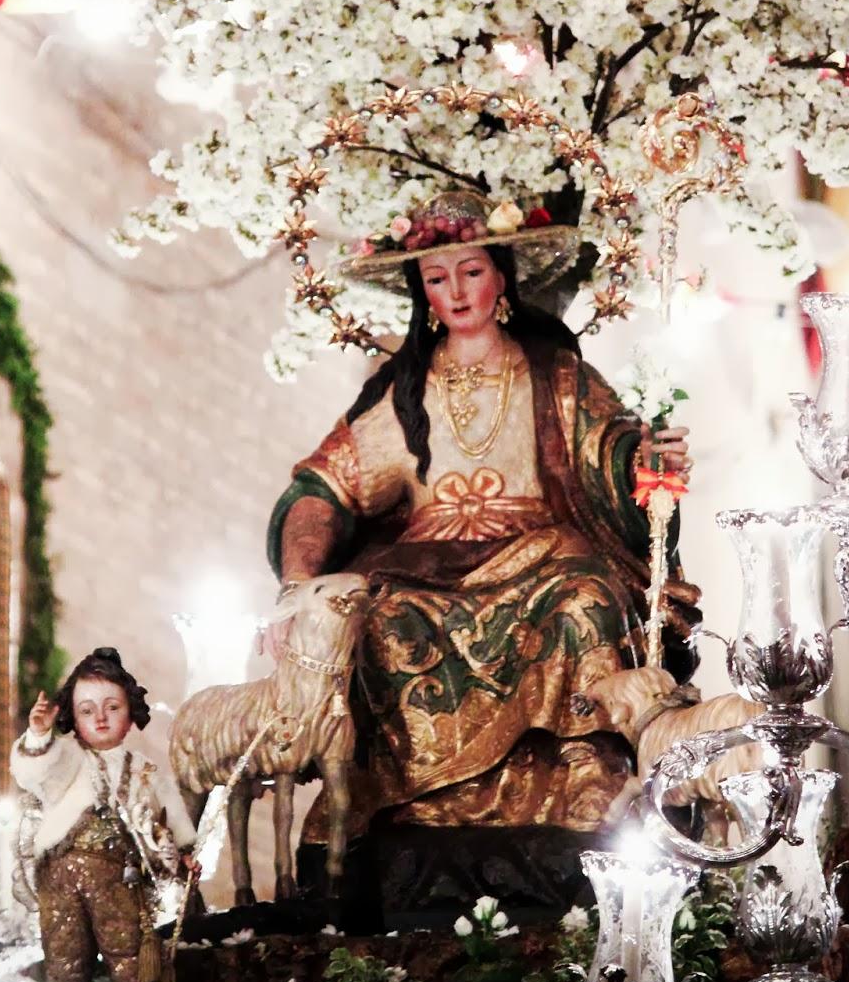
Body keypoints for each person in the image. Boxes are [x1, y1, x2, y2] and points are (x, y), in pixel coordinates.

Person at [268, 190, 698, 837]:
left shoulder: (556, 377)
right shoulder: (402, 390)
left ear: (500, 278)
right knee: (380, 619)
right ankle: (409, 807)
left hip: (540, 552)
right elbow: (323, 489)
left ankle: (583, 771)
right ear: (423, 295)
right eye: (437, 279)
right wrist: (297, 589)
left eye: (471, 272)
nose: (458, 292)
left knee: (582, 595)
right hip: (422, 566)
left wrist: (644, 462)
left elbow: (611, 460)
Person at [11, 647, 201, 982]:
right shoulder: (66, 757)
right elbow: (32, 771)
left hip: (117, 872)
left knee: (126, 940)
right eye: (87, 710)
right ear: (72, 719)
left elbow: (168, 812)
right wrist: (40, 735)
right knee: (65, 945)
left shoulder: (144, 770)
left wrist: (184, 850)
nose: (100, 718)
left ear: (130, 712)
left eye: (112, 707)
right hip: (58, 868)